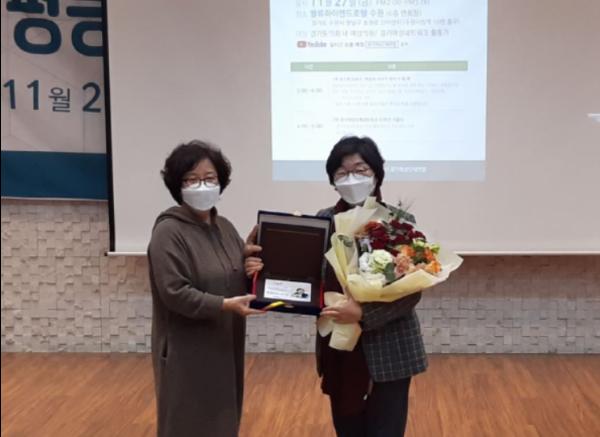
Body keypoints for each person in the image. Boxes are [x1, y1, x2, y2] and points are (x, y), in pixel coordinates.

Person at [245, 136, 427, 437]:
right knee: (347, 428)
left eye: (361, 170)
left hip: (391, 347)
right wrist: (259, 270)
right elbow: (305, 276)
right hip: (339, 349)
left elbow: (411, 291)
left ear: (377, 174)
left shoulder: (398, 222)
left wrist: (363, 314)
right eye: (342, 173)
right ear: (332, 180)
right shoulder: (323, 221)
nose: (351, 179)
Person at [147, 140, 263, 437]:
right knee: (188, 422)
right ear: (178, 185)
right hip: (187, 352)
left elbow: (233, 275)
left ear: (221, 182)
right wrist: (223, 305)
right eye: (192, 179)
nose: (202, 186)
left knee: (223, 421)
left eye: (210, 178)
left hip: (225, 345)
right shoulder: (168, 231)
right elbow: (174, 292)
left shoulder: (225, 227)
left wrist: (249, 267)